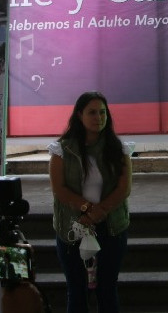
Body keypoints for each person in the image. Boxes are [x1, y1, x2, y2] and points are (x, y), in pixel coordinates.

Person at [47, 91, 132, 313]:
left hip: (110, 227)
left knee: (107, 290)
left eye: (102, 112)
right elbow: (59, 188)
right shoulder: (62, 149)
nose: (98, 118)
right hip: (72, 227)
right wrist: (86, 209)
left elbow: (124, 188)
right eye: (92, 112)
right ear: (79, 115)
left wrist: (99, 212)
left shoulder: (118, 149)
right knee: (76, 291)